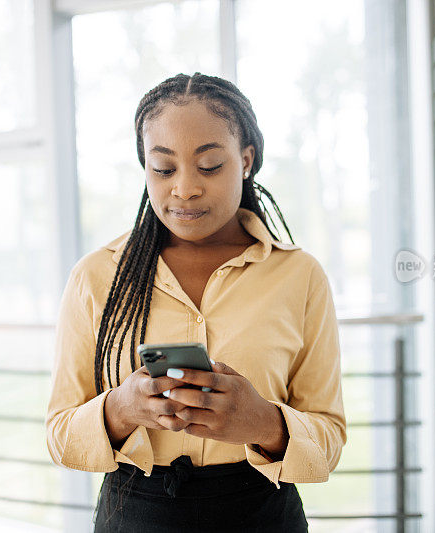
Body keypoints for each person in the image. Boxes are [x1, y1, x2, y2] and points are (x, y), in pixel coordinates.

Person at [45, 72, 346, 532]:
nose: (184, 188)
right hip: (135, 513)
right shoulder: (95, 276)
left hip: (262, 513)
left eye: (209, 166)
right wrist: (123, 408)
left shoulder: (299, 276)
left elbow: (329, 441)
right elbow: (60, 436)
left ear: (245, 161)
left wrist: (265, 424)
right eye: (163, 169)